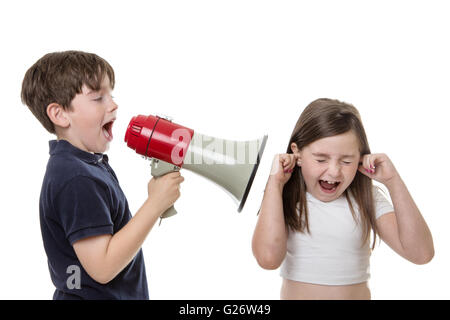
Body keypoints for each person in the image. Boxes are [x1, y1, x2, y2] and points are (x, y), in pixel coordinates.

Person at [21, 50, 184, 299]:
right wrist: (155, 204)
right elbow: (103, 268)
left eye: (111, 94)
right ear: (60, 114)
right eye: (98, 98)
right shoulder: (77, 178)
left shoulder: (86, 164)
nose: (113, 104)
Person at [252, 98, 434, 299]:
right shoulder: (281, 196)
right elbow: (267, 259)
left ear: (360, 158)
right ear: (297, 154)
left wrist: (393, 181)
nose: (334, 171)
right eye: (321, 159)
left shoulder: (367, 198)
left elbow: (421, 254)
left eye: (346, 160)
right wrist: (275, 184)